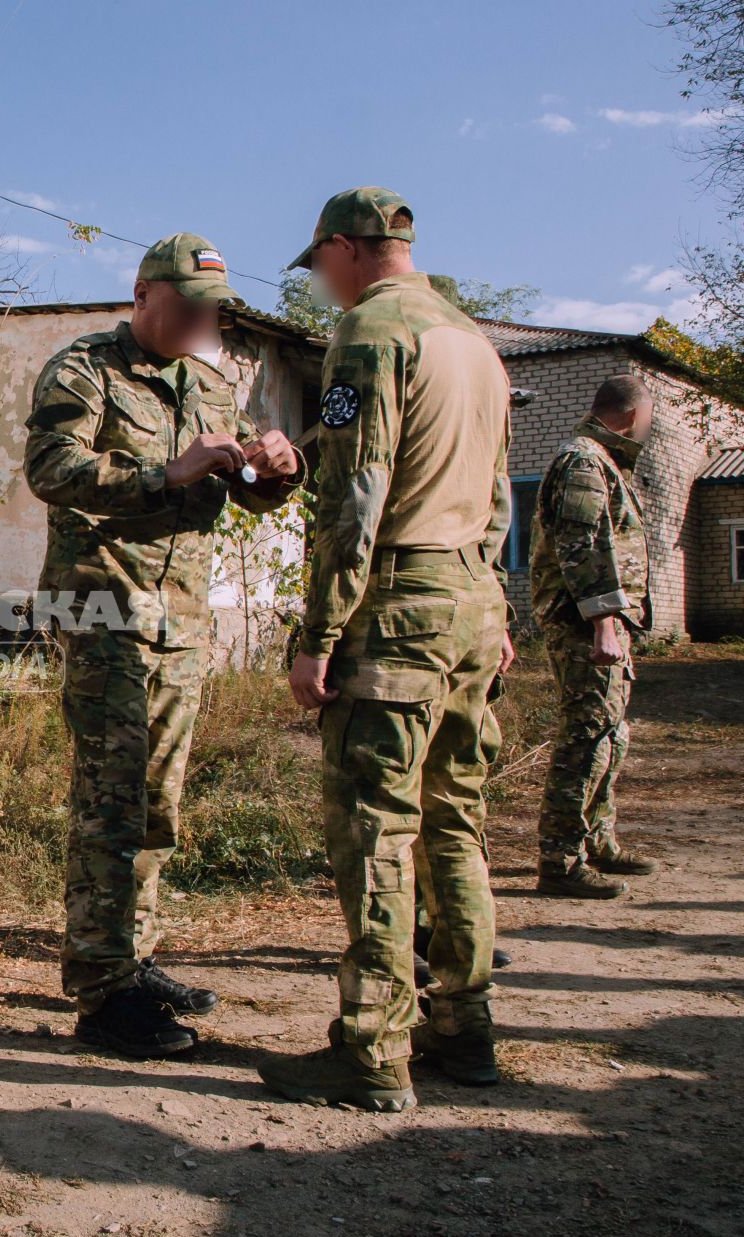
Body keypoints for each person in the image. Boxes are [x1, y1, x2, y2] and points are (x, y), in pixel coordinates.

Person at [259, 188, 514, 1109]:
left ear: (343, 249)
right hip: (470, 603)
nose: (321, 284)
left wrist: (316, 635)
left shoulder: (373, 334)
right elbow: (495, 497)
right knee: (455, 821)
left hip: (398, 606)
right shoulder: (473, 341)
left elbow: (355, 497)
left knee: (377, 831)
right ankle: (465, 1028)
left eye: (319, 265)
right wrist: (495, 608)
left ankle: (370, 1055)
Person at [24, 234, 303, 1059]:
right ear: (142, 294)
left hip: (181, 626)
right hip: (104, 613)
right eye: (183, 304)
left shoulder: (213, 386)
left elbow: (249, 494)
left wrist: (274, 469)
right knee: (110, 804)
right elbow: (49, 467)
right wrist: (164, 474)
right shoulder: (86, 369)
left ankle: (136, 961)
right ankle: (103, 991)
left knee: (157, 806)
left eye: (208, 309)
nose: (196, 319)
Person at [532, 374, 661, 899]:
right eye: (649, 417)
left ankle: (596, 840)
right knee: (585, 736)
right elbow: (579, 544)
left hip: (602, 621)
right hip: (585, 624)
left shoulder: (603, 460)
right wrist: (603, 620)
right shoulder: (583, 460)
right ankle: (559, 861)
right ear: (632, 415)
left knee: (611, 733)